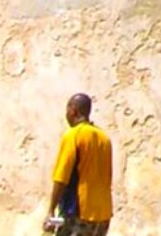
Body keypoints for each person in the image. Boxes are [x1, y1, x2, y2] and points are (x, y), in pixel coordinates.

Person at [46, 93, 114, 236]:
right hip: (103, 214)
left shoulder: (73, 135)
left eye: (67, 109)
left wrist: (51, 211)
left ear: (73, 110)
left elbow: (61, 178)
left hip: (79, 212)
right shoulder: (104, 138)